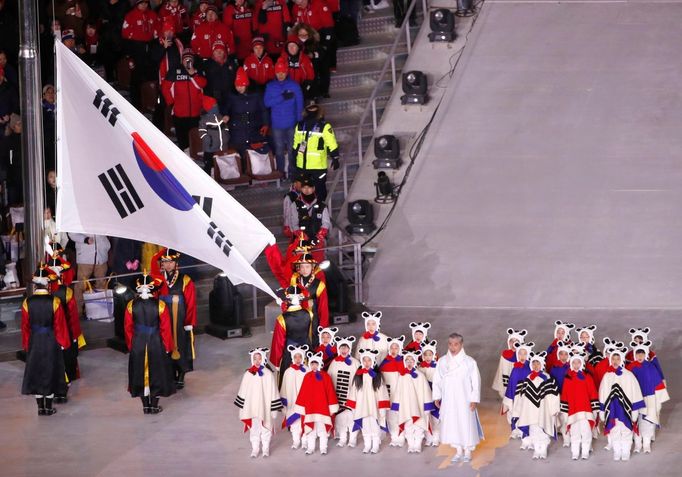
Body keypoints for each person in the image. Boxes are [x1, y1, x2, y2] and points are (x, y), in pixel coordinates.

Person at [20, 265, 70, 416]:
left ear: (35, 285)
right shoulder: (54, 301)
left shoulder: (27, 302)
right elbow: (59, 325)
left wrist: (27, 343)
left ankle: (40, 408)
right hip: (50, 339)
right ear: (48, 284)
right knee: (50, 370)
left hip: (35, 340)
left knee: (36, 371)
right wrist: (63, 343)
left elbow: (25, 327)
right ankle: (48, 407)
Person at [124, 272, 176, 414]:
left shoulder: (130, 305)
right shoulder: (160, 305)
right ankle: (154, 405)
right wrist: (168, 347)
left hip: (138, 342)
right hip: (156, 342)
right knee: (157, 373)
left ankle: (145, 406)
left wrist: (131, 345)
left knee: (139, 373)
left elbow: (127, 329)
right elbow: (166, 329)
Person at [433, 332, 484, 464]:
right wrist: (437, 396)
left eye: (456, 344)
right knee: (453, 422)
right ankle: (458, 450)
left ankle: (467, 450)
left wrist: (474, 399)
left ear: (461, 344)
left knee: (465, 422)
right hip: (449, 398)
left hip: (464, 398)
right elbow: (437, 379)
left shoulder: (469, 362)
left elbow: (475, 382)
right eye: (450, 344)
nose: (452, 347)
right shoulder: (443, 361)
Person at [150, 248, 197, 390]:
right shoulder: (158, 280)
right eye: (165, 262)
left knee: (181, 345)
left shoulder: (185, 280)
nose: (168, 264)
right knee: (166, 345)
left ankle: (181, 374)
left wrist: (189, 322)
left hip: (180, 319)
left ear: (176, 263)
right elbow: (153, 260)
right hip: (163, 320)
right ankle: (170, 374)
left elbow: (191, 303)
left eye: (171, 261)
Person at [47, 256, 85, 403]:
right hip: (66, 330)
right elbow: (73, 317)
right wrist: (75, 334)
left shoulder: (45, 292)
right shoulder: (66, 292)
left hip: (50, 332)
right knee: (67, 356)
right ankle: (67, 379)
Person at [510, 351, 560, 460]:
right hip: (530, 411)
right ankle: (537, 450)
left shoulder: (547, 378)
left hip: (544, 410)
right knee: (533, 429)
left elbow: (553, 395)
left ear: (542, 364)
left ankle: (543, 449)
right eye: (533, 363)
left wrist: (554, 409)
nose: (536, 366)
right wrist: (519, 410)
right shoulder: (528, 378)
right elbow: (522, 396)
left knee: (543, 429)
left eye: (538, 363)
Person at [234, 347, 283, 458]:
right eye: (255, 358)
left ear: (263, 359)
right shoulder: (248, 374)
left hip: (265, 407)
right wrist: (242, 408)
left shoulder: (268, 374)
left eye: (259, 358)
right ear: (252, 359)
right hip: (251, 407)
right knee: (254, 428)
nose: (257, 361)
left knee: (266, 427)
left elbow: (273, 391)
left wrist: (274, 409)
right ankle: (255, 448)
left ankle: (265, 447)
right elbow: (243, 391)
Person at [599, 346, 645, 461]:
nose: (615, 361)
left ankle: (625, 451)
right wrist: (602, 409)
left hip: (626, 410)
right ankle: (617, 451)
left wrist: (635, 409)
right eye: (613, 359)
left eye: (618, 359)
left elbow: (635, 392)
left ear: (622, 360)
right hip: (612, 409)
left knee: (626, 430)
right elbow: (603, 393)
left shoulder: (629, 375)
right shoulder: (607, 376)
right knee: (614, 430)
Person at [626, 340, 670, 454]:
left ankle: (646, 444)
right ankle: (637, 444)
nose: (640, 356)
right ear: (634, 354)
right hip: (635, 399)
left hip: (649, 398)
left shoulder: (651, 367)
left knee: (648, 421)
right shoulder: (630, 367)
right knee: (635, 421)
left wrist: (658, 400)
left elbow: (657, 382)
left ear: (645, 354)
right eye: (637, 354)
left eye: (642, 354)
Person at [161, 48, 207, 152]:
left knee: (195, 139)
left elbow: (203, 84)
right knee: (182, 141)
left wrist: (192, 74)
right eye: (186, 59)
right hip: (179, 113)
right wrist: (171, 103)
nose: (188, 61)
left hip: (196, 113)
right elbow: (165, 88)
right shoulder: (174, 71)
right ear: (182, 60)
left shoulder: (198, 70)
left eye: (190, 59)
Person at [269, 285, 316, 386]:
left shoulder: (281, 319)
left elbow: (278, 342)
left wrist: (276, 362)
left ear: (288, 298)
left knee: (289, 383)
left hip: (289, 355)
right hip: (306, 353)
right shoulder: (309, 314)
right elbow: (311, 335)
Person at [294, 351, 339, 454]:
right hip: (310, 408)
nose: (314, 366)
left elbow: (330, 392)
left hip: (323, 408)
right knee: (311, 429)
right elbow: (303, 393)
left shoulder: (325, 376)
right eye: (312, 364)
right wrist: (301, 406)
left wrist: (332, 407)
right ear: (310, 364)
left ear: (320, 364)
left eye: (316, 364)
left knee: (323, 429)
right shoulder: (307, 376)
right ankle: (311, 447)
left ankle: (323, 447)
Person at [264, 60, 304, 176]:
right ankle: (281, 172)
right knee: (279, 149)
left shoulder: (294, 86)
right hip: (277, 124)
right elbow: (267, 103)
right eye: (278, 72)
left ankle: (292, 171)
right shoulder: (270, 86)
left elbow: (299, 104)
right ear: (275, 73)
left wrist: (299, 120)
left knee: (292, 149)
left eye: (282, 72)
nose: (280, 75)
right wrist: (282, 97)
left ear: (286, 72)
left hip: (291, 123)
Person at [292, 103, 339, 200]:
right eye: (310, 108)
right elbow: (296, 144)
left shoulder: (324, 126)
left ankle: (321, 212)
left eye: (314, 108)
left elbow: (332, 143)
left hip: (317, 166)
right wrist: (294, 157)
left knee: (320, 192)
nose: (312, 110)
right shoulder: (300, 125)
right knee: (304, 194)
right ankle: (306, 213)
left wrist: (335, 158)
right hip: (302, 166)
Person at [391, 349, 436, 453]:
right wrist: (397, 407)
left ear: (415, 361)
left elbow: (426, 391)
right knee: (408, 425)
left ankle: (418, 444)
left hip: (419, 406)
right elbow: (397, 392)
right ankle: (411, 445)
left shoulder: (420, 375)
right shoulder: (401, 376)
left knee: (419, 425)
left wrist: (427, 407)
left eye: (412, 360)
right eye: (407, 360)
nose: (409, 362)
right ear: (404, 362)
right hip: (406, 407)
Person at [346, 348, 389, 453]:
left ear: (373, 361)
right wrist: (353, 406)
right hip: (361, 406)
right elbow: (353, 391)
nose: (366, 363)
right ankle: (367, 445)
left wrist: (382, 408)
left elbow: (382, 392)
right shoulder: (358, 375)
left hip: (374, 406)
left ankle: (375, 445)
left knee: (374, 425)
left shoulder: (377, 376)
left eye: (369, 360)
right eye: (364, 360)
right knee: (365, 426)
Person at [560, 348, 599, 460]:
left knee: (586, 431)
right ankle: (575, 452)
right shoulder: (568, 378)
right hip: (573, 410)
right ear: (571, 364)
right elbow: (565, 395)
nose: (576, 365)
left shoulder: (587, 377)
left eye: (578, 362)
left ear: (582, 363)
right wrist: (565, 412)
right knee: (574, 432)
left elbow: (593, 393)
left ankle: (585, 451)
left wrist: (595, 409)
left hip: (586, 410)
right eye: (574, 362)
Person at [221, 67, 269, 158]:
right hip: (237, 130)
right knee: (239, 154)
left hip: (254, 129)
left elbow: (264, 110)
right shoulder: (232, 96)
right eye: (237, 86)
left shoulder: (256, 95)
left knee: (253, 156)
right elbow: (225, 108)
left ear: (246, 84)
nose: (238, 88)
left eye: (241, 85)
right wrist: (226, 114)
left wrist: (266, 123)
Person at [492, 328, 527, 432]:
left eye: (517, 341)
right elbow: (501, 371)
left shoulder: (524, 356)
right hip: (508, 387)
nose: (513, 343)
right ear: (508, 342)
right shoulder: (505, 355)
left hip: (520, 387)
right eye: (511, 341)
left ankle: (521, 428)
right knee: (510, 406)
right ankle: (513, 429)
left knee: (521, 407)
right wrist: (501, 387)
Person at [328, 335, 360, 447]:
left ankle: (352, 438)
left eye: (346, 348)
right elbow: (329, 379)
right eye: (342, 348)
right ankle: (342, 438)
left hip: (350, 396)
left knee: (352, 418)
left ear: (350, 348)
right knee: (340, 419)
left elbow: (359, 381)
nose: (344, 350)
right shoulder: (334, 363)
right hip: (338, 397)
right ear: (338, 349)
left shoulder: (355, 363)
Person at [67, 233, 110, 315]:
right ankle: (77, 311)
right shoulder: (79, 220)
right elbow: (72, 233)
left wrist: (106, 245)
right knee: (81, 285)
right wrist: (84, 239)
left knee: (101, 284)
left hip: (101, 256)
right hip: (85, 257)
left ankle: (99, 310)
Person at [287, 177, 331, 257]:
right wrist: (304, 238)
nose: (307, 190)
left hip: (318, 243)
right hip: (301, 243)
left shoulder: (322, 205)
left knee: (318, 267)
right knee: (303, 267)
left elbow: (326, 224)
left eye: (309, 187)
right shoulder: (295, 205)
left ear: (313, 188)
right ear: (301, 189)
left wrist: (317, 238)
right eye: (304, 187)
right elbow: (293, 225)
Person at [503, 340, 534, 441]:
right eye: (520, 353)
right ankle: (515, 429)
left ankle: (524, 430)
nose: (522, 356)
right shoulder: (515, 368)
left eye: (525, 354)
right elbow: (511, 383)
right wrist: (509, 396)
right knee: (514, 410)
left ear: (528, 354)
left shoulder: (530, 367)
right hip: (514, 395)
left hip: (525, 396)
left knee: (524, 411)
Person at [280, 344, 309, 449]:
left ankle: (305, 440)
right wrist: (284, 402)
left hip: (305, 402)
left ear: (303, 358)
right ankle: (296, 441)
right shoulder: (288, 372)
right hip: (292, 402)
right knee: (294, 423)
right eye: (295, 357)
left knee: (305, 421)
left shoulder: (307, 370)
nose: (298, 359)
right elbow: (284, 387)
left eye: (300, 357)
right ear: (292, 358)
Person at [288, 252, 329, 327]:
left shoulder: (319, 284)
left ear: (312, 267)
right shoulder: (295, 281)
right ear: (298, 268)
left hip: (313, 320)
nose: (304, 270)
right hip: (297, 319)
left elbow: (323, 308)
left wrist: (323, 327)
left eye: (307, 267)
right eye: (302, 267)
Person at [380, 334, 406, 447]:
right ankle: (394, 436)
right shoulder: (385, 362)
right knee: (390, 416)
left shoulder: (403, 362)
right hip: (389, 393)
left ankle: (401, 436)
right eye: (392, 348)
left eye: (396, 348)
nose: (394, 350)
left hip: (399, 393)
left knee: (399, 415)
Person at [549, 340, 572, 447]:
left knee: (569, 418)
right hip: (558, 396)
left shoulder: (572, 367)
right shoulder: (554, 368)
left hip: (569, 397)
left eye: (566, 354)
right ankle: (565, 437)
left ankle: (571, 437)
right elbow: (552, 383)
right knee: (562, 418)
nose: (563, 356)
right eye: (561, 354)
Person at [202, 40, 239, 105]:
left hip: (229, 96)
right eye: (216, 51)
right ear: (213, 53)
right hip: (213, 98)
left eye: (221, 51)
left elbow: (236, 81)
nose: (219, 53)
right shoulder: (207, 65)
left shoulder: (232, 64)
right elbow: (204, 84)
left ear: (224, 52)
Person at [418, 339, 440, 446]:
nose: (427, 357)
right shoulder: (419, 368)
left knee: (435, 416)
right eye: (425, 355)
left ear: (434, 355)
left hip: (435, 393)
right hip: (424, 395)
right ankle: (428, 437)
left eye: (430, 355)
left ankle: (436, 437)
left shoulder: (438, 367)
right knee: (426, 416)